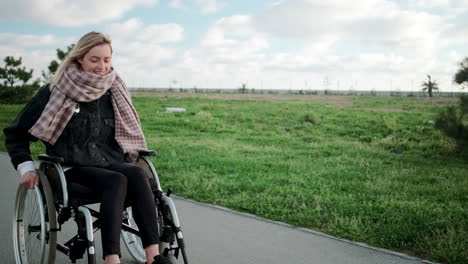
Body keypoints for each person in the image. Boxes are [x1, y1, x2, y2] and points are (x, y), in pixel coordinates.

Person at [3, 31, 171, 264]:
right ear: (79, 58)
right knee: (117, 180)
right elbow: (16, 133)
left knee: (135, 172)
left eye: (107, 60)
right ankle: (111, 259)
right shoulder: (56, 90)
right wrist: (26, 167)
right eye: (95, 60)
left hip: (111, 163)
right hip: (70, 168)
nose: (102, 66)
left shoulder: (115, 90)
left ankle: (153, 257)